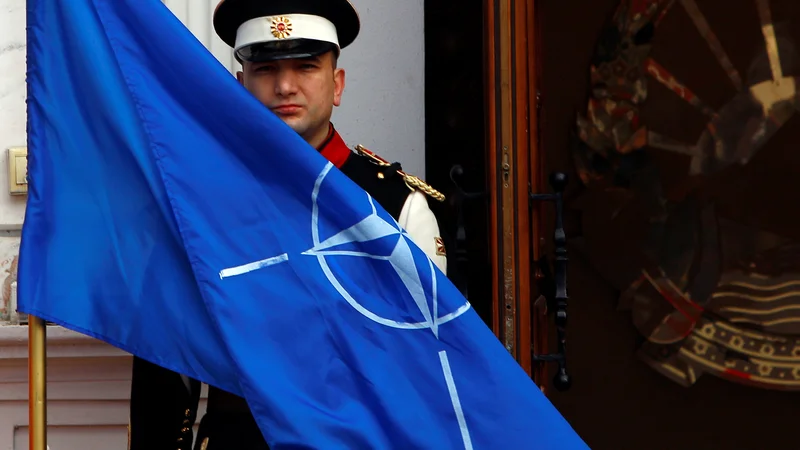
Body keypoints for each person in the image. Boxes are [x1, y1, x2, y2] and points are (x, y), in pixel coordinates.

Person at [128, 0, 451, 449]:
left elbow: (427, 365)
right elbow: (166, 370)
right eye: (265, 69)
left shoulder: (395, 207)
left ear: (336, 84)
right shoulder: (198, 206)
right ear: (240, 84)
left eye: (305, 66)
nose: (284, 86)